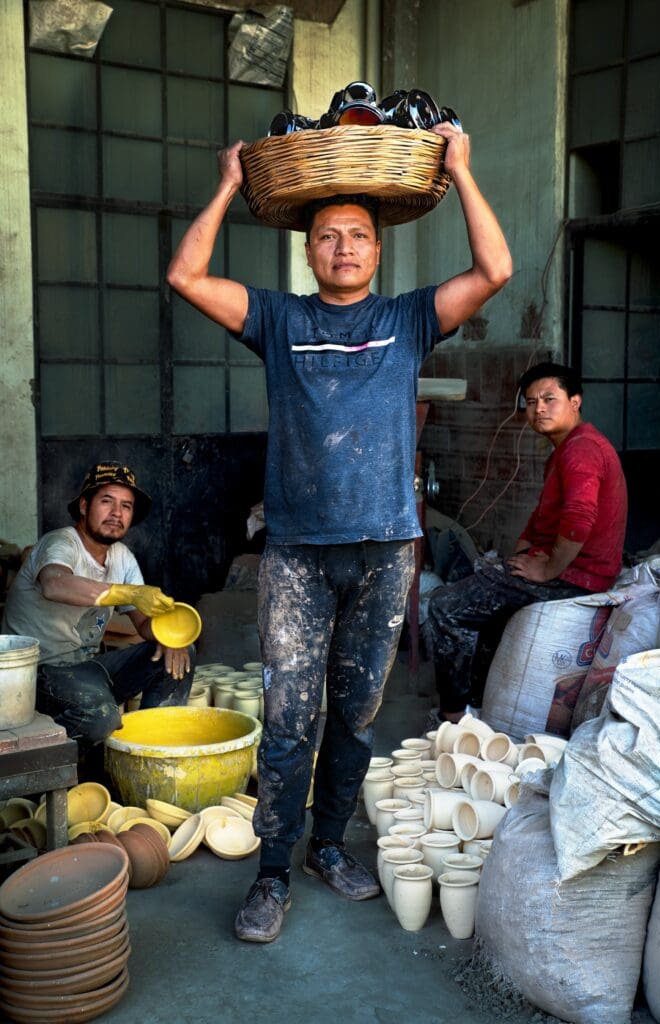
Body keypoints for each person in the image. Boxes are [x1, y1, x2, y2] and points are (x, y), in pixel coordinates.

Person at [166, 120, 512, 943]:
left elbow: (495, 269)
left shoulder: (408, 320)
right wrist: (225, 184)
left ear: (377, 249)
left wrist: (461, 169)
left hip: (385, 549)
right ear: (309, 252)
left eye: (358, 235)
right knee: (290, 717)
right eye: (328, 237)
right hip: (295, 555)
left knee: (355, 716)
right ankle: (272, 874)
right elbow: (185, 274)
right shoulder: (278, 320)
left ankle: (327, 846)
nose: (344, 247)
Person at [425, 361, 628, 726]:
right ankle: (479, 706)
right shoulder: (565, 450)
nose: (539, 408)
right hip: (571, 569)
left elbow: (580, 520)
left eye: (550, 398)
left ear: (576, 401)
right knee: (485, 584)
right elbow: (541, 520)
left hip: (577, 575)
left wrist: (548, 567)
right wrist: (520, 555)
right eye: (531, 401)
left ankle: (453, 717)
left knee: (444, 607)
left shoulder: (582, 450)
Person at [2, 461, 194, 772]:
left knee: (178, 657)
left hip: (88, 668)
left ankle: (151, 756)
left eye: (126, 506)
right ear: (83, 505)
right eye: (107, 501)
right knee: (101, 717)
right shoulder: (61, 543)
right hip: (41, 672)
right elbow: (55, 584)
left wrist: (170, 637)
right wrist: (129, 593)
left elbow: (143, 624)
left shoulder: (122, 557)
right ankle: (39, 773)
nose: (117, 513)